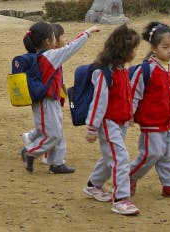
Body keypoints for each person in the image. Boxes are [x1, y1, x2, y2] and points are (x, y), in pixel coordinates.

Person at [21, 22, 100, 174]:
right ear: (48, 41)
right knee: (54, 135)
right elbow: (71, 48)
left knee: (57, 131)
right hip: (45, 101)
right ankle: (30, 152)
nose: (58, 40)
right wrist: (88, 32)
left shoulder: (44, 56)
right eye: (54, 37)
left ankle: (56, 162)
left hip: (52, 100)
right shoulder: (49, 56)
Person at [129, 22, 170, 199]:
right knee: (151, 154)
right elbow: (133, 93)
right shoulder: (146, 70)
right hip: (150, 123)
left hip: (168, 123)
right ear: (154, 48)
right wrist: (129, 115)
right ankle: (127, 177)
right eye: (165, 47)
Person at [83, 24, 141, 216]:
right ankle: (121, 199)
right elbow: (98, 101)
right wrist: (92, 127)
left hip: (120, 122)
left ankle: (93, 185)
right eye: (133, 49)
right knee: (120, 158)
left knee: (111, 157)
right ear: (123, 50)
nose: (135, 52)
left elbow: (125, 95)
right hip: (108, 123)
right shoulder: (104, 73)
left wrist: (129, 114)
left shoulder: (121, 69)